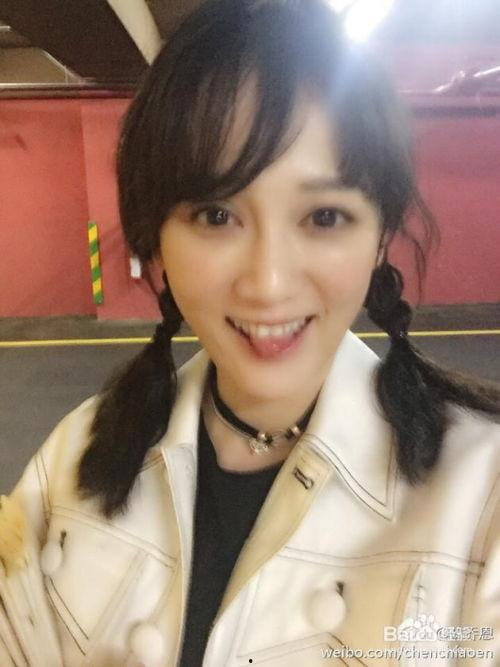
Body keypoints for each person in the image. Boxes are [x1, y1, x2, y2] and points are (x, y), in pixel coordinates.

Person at [1, 1, 499, 665]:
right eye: (216, 215)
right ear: (157, 242)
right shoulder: (74, 458)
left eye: (324, 216)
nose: (268, 283)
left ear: (380, 237)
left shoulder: (484, 497)